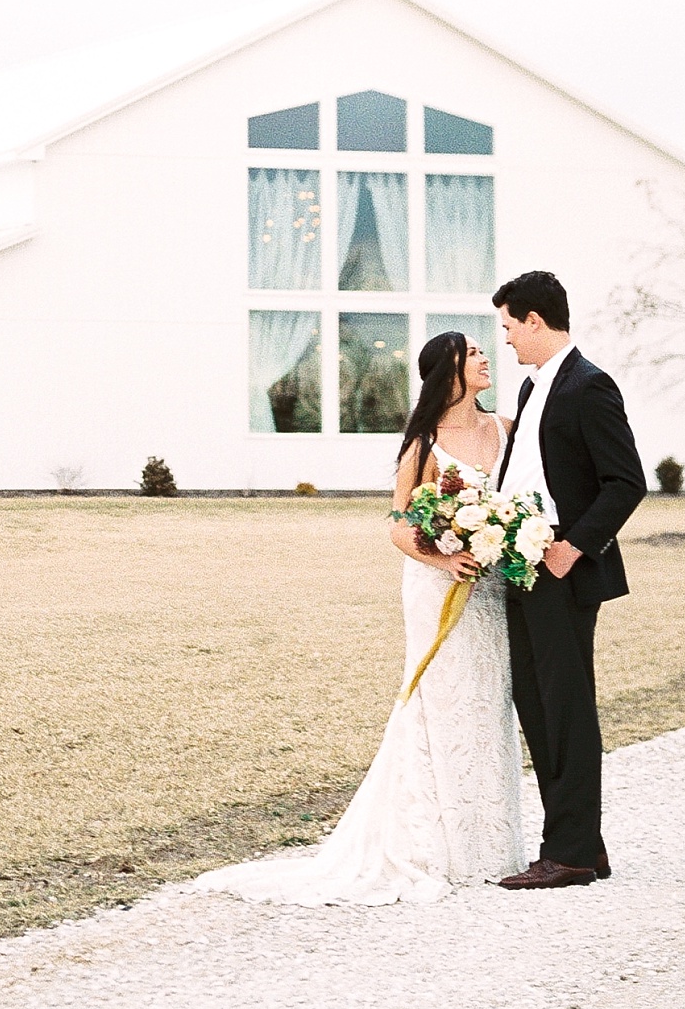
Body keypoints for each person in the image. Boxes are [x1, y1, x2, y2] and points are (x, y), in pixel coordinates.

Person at [194, 329, 525, 906]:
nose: (482, 358)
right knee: (441, 697)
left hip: (491, 587)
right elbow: (399, 525)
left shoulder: (506, 429)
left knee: (488, 697)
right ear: (448, 372)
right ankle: (435, 843)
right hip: (438, 583)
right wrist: (444, 556)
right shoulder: (421, 444)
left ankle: (489, 844)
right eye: (471, 353)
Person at [491, 267, 647, 889]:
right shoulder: (533, 390)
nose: (504, 340)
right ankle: (580, 844)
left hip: (562, 569)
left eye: (508, 327)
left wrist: (574, 547)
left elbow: (626, 481)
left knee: (567, 707)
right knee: (537, 702)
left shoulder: (589, 385)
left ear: (534, 320)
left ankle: (572, 852)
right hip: (522, 566)